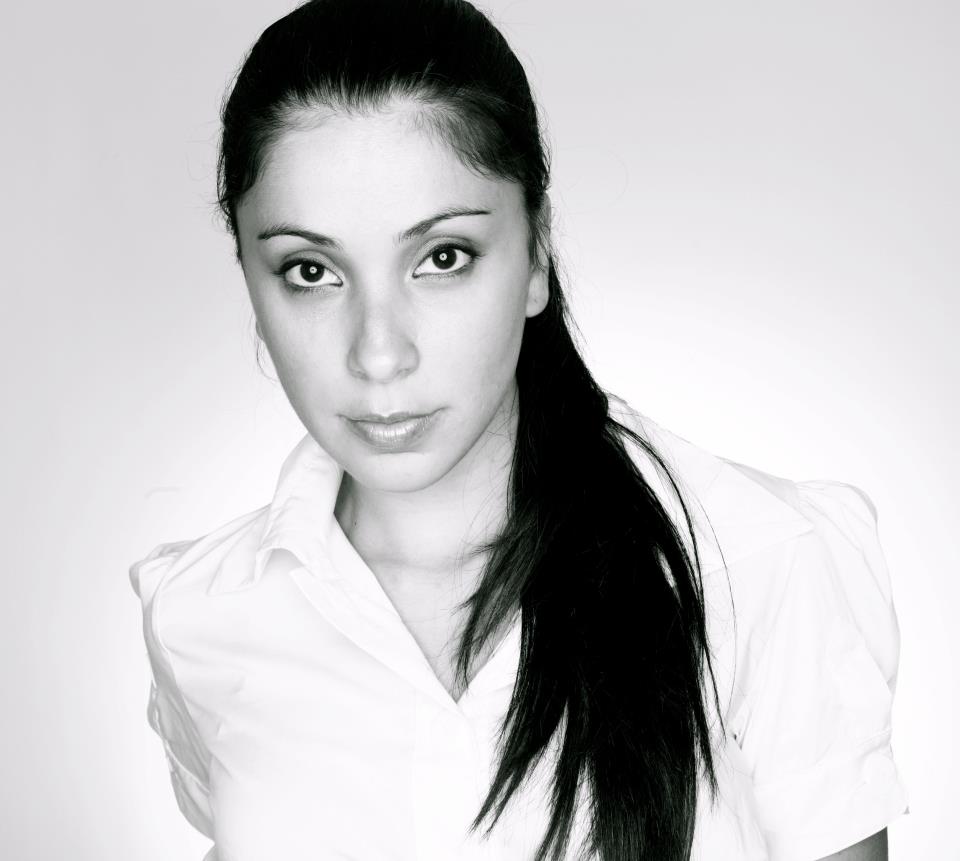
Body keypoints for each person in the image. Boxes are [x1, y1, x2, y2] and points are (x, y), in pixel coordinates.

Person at [128, 1, 909, 858]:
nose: (378, 353)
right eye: (310, 271)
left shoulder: (753, 562)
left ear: (536, 254)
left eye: (442, 258)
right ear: (251, 277)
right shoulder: (204, 616)